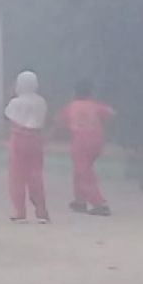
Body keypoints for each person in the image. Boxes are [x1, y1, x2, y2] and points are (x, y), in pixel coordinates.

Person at [56, 79, 115, 216]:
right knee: (81, 170)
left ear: (74, 92)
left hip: (80, 141)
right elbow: (111, 113)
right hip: (97, 139)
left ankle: (99, 203)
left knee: (83, 172)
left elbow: (58, 122)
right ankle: (80, 201)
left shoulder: (71, 107)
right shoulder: (95, 105)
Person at [6, 70, 49, 223]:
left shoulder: (15, 102)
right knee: (36, 175)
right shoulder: (41, 101)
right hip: (36, 138)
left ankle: (20, 212)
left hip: (19, 138)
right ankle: (41, 212)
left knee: (17, 176)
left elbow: (11, 119)